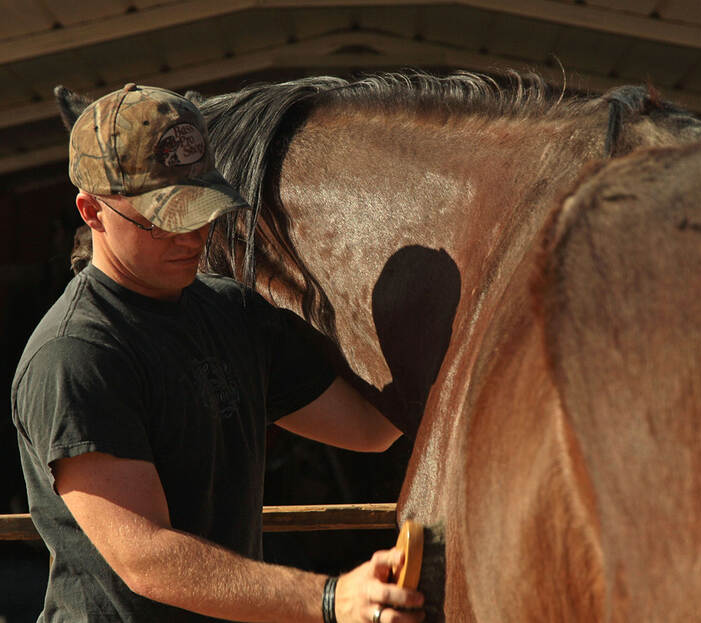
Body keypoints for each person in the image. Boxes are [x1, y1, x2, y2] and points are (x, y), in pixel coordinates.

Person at [11, 83, 424, 623]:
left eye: (200, 208)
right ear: (91, 212)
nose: (190, 235)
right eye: (162, 216)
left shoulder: (232, 313)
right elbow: (148, 558)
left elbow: (371, 429)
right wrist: (331, 598)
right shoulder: (77, 355)